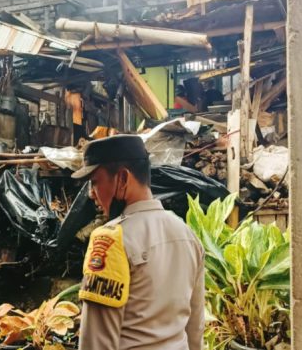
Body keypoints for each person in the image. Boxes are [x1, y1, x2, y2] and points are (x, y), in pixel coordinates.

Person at [71, 135, 205, 350]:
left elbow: (96, 342)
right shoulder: (187, 234)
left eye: (95, 182)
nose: (91, 194)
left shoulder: (110, 239)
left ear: (123, 178)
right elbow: (195, 327)